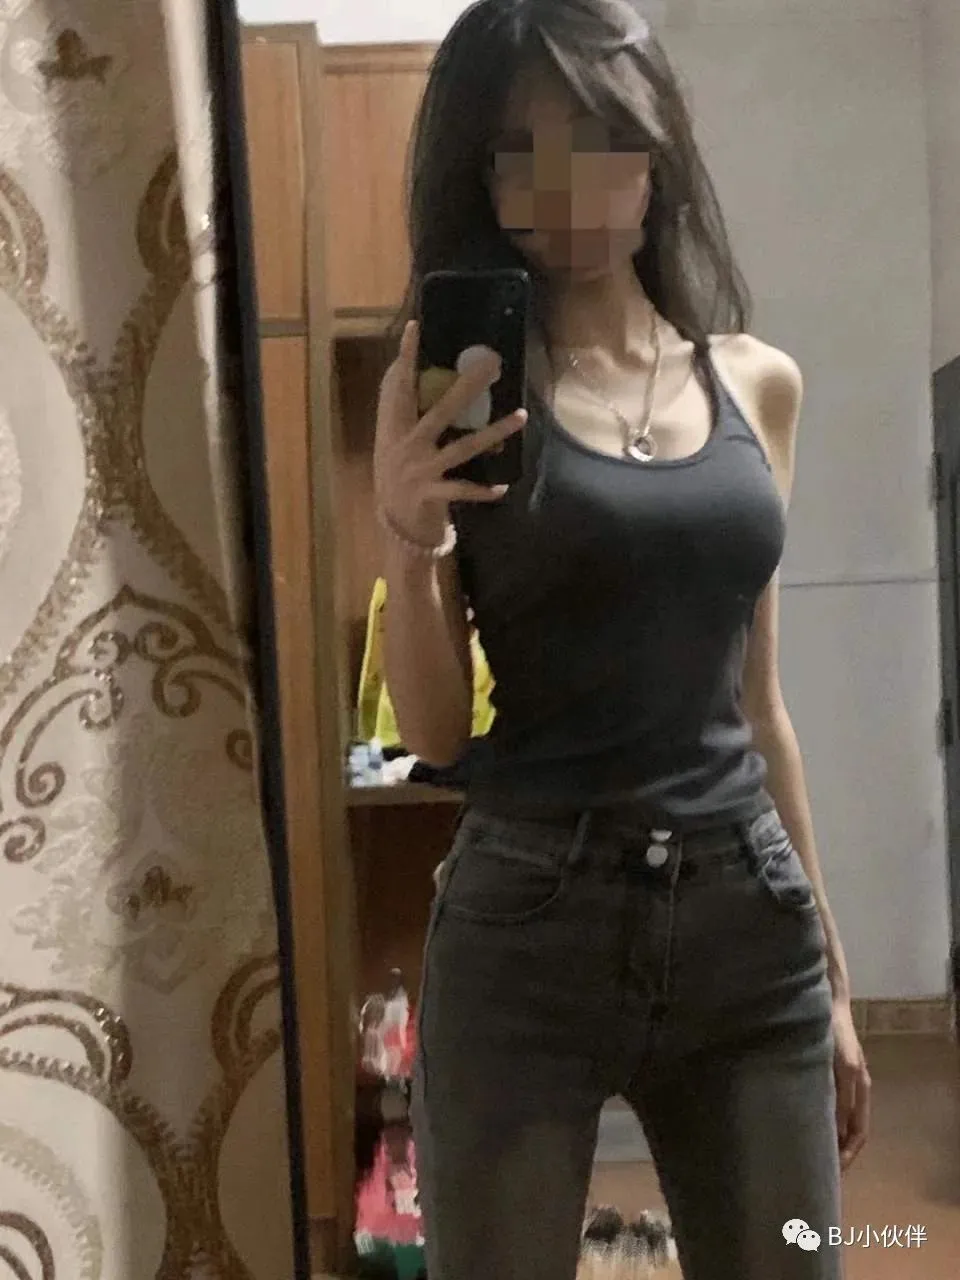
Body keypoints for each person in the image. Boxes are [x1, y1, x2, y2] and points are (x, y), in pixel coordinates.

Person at [372, 2, 871, 1277]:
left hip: (747, 923)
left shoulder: (757, 382)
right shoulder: (457, 390)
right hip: (527, 918)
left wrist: (833, 972)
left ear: (655, 149)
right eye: (523, 153)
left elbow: (759, 703)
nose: (567, 188)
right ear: (485, 182)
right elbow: (435, 733)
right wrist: (407, 534)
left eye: (598, 138)